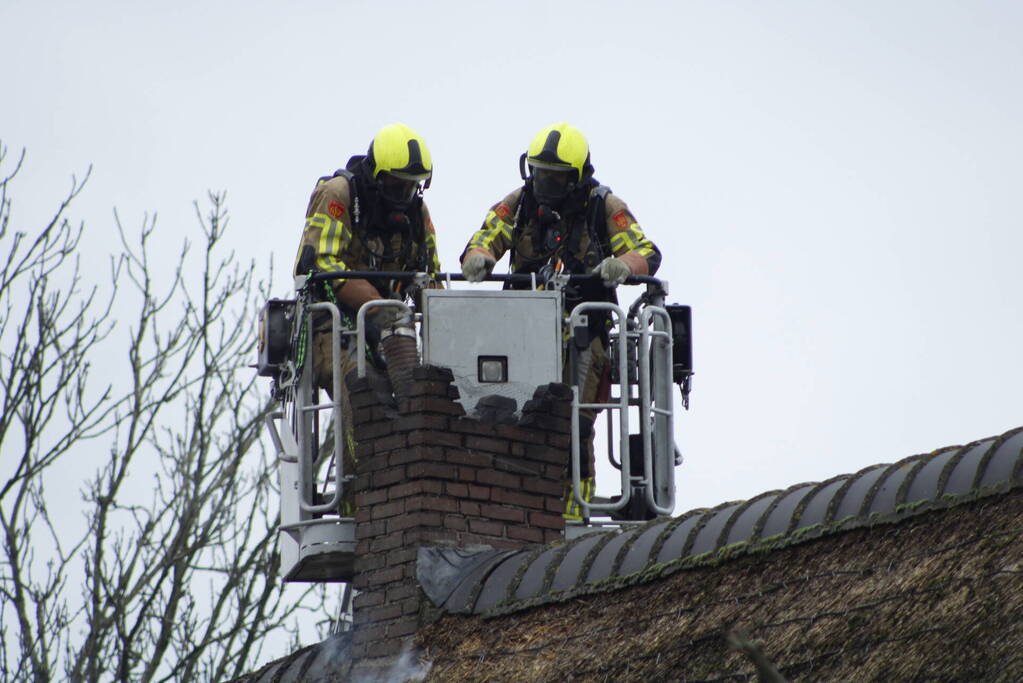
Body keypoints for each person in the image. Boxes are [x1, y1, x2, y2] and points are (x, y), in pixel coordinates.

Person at [460, 122, 661, 521]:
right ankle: (514, 508)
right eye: (539, 173)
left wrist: (623, 265)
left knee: (576, 422)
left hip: (585, 333)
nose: (545, 184)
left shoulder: (603, 206)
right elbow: (484, 238)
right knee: (512, 419)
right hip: (522, 334)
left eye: (555, 177)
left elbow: (645, 251)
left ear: (577, 177)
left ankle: (573, 509)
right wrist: (479, 259)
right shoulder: (519, 203)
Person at [294, 123, 442, 509]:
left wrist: (450, 326)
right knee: (363, 386)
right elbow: (323, 263)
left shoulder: (416, 212)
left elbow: (430, 277)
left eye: (411, 186)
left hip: (389, 331)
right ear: (377, 176)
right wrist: (379, 307)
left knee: (419, 392)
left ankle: (412, 485)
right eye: (396, 184)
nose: (403, 194)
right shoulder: (338, 195)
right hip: (328, 324)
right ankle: (359, 500)